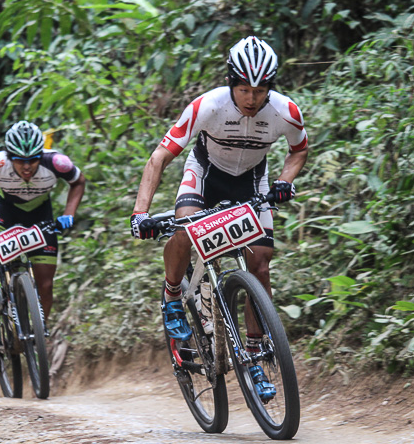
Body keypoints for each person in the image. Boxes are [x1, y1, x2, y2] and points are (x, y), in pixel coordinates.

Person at [130, 36, 308, 401]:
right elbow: (158, 158)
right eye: (244, 89)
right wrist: (140, 213)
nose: (251, 99)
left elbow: (298, 151)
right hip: (205, 176)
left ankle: (256, 349)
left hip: (252, 182)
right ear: (231, 83)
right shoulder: (207, 106)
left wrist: (283, 182)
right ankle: (173, 296)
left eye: (260, 91)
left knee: (260, 265)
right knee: (184, 229)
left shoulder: (284, 111)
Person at [0, 120, 86, 332]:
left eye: (33, 160)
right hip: (5, 210)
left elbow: (78, 182)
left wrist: (68, 214)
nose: (27, 166)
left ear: (41, 155)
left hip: (40, 212)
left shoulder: (58, 162)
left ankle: (40, 330)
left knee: (46, 285)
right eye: (20, 161)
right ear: (9, 157)